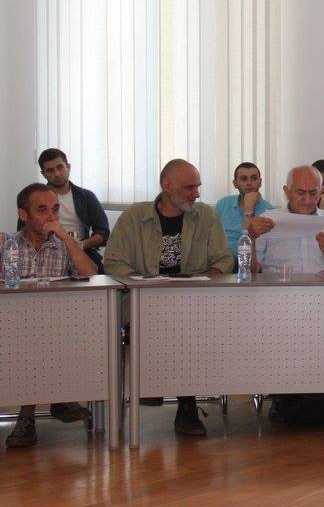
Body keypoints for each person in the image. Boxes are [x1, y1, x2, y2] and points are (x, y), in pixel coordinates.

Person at [103, 159, 234, 438]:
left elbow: (224, 260)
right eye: (189, 187)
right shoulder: (134, 217)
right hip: (143, 302)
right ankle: (160, 387)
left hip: (192, 303)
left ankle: (185, 402)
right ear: (167, 186)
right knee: (166, 324)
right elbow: (113, 262)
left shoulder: (206, 217)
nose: (196, 194)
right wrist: (145, 284)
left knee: (188, 328)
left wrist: (200, 281)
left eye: (198, 186)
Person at [3, 184, 98, 448]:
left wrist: (67, 239)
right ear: (23, 215)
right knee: (29, 343)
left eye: (55, 209)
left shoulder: (64, 245)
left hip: (57, 326)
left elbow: (90, 274)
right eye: (42, 210)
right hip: (14, 326)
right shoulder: (8, 245)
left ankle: (30, 415)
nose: (51, 216)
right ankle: (56, 401)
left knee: (49, 339)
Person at [251, 166, 324, 274]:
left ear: (320, 192)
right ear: (287, 192)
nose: (307, 200)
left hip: (322, 287)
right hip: (277, 286)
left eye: (312, 193)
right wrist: (251, 236)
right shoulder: (267, 221)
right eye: (300, 193)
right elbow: (251, 270)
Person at [31, 148, 111, 273]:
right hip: (46, 254)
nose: (57, 174)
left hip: (82, 251)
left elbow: (103, 232)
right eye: (50, 170)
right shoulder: (34, 199)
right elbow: (24, 231)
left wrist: (83, 244)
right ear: (43, 174)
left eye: (60, 167)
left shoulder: (86, 196)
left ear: (68, 167)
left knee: (102, 274)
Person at [214, 162, 275, 256]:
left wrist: (249, 210)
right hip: (221, 259)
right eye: (244, 179)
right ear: (235, 184)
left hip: (249, 261)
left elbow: (260, 252)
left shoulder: (270, 212)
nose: (249, 183)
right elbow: (211, 239)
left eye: (254, 178)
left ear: (260, 182)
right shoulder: (223, 204)